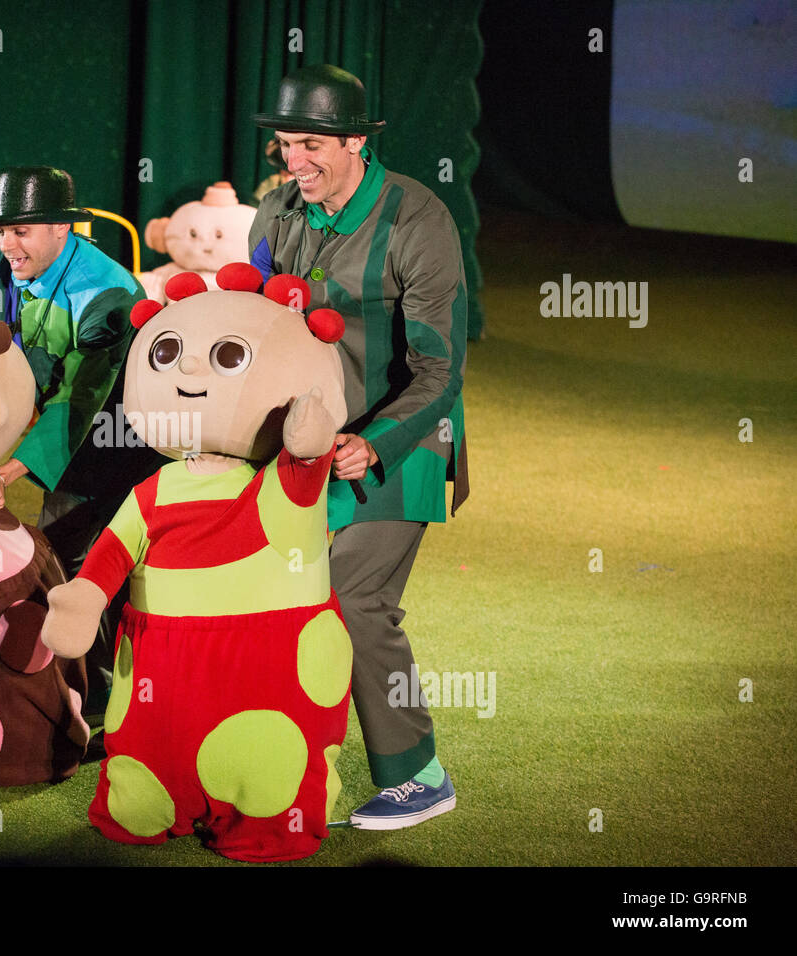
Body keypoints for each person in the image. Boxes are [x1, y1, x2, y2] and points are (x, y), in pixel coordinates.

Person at [249, 64, 470, 829]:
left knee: (354, 590)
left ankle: (419, 774)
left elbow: (441, 371)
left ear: (354, 142)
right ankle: (273, 750)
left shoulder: (419, 218)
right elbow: (259, 327)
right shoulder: (276, 213)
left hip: (405, 443)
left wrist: (373, 444)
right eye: (284, 144)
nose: (294, 161)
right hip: (305, 440)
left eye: (311, 143)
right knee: (269, 586)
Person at [0, 166, 159, 711]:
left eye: (22, 230)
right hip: (57, 445)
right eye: (1, 229)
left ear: (62, 229)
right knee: (59, 558)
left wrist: (7, 471)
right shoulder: (1, 273)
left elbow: (82, 400)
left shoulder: (108, 294)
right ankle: (82, 687)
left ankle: (108, 697)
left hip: (116, 445)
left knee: (94, 566)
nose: (9, 242)